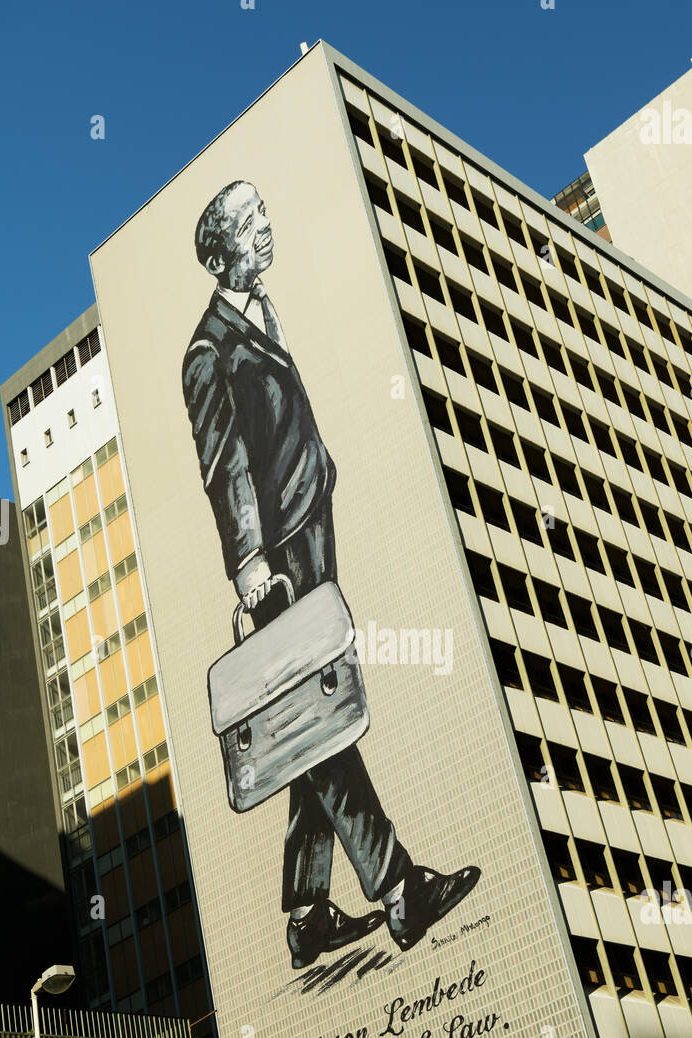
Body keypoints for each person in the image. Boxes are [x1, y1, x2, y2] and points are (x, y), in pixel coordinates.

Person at [182, 180, 480, 970]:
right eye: (249, 223)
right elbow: (224, 466)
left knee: (310, 721)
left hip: (314, 526)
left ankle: (309, 916)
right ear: (220, 250)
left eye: (265, 213)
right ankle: (399, 890)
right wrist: (247, 563)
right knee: (320, 723)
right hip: (277, 562)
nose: (266, 229)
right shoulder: (208, 352)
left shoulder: (263, 313)